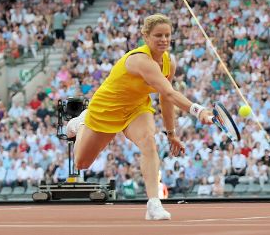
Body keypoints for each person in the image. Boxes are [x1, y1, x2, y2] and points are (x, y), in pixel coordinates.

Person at [66, 14, 212, 220]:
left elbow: (166, 98)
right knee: (82, 163)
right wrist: (198, 110)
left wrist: (171, 134)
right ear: (146, 36)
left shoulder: (169, 62)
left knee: (148, 142)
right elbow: (170, 93)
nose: (164, 40)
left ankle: (154, 203)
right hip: (106, 109)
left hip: (136, 108)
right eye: (158, 35)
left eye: (167, 35)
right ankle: (81, 121)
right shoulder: (140, 60)